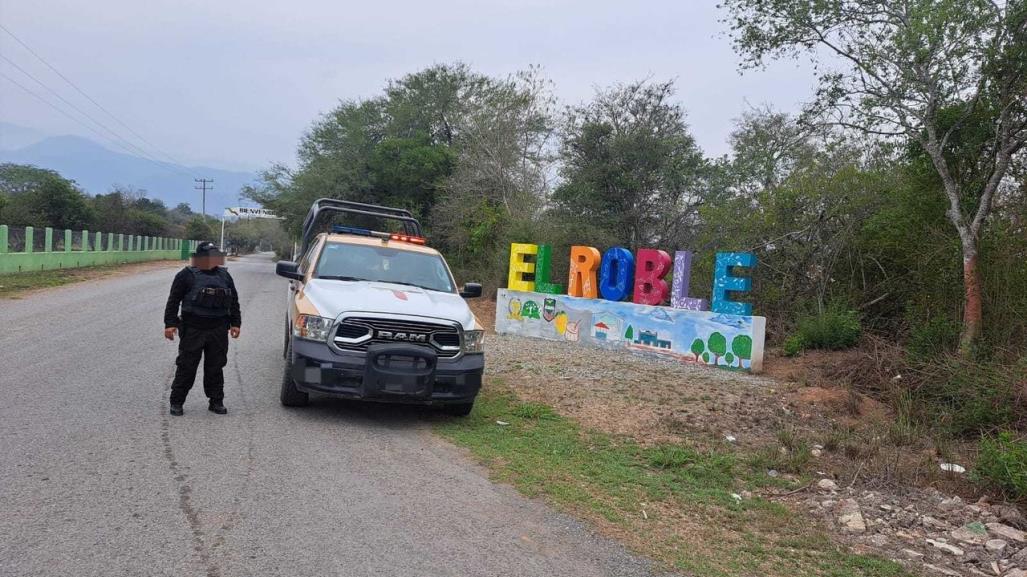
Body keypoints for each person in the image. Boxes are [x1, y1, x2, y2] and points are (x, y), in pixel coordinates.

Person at [163, 242, 241, 416]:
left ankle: (216, 401)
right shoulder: (186, 275)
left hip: (218, 329)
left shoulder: (225, 276)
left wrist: (236, 323)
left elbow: (233, 301)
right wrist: (170, 324)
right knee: (186, 367)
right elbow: (173, 300)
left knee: (215, 367)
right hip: (193, 329)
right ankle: (177, 401)